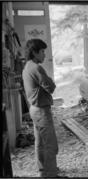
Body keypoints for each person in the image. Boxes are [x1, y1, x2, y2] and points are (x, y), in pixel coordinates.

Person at [22, 39, 58, 177]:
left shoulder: (28, 66)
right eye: (42, 52)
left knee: (40, 143)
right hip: (41, 110)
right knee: (50, 144)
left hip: (34, 109)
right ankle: (50, 174)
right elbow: (51, 87)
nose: (44, 54)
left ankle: (44, 170)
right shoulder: (37, 68)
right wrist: (51, 81)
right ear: (34, 53)